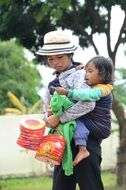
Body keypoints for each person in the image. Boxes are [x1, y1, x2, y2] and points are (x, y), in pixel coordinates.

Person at [36, 29, 113, 190]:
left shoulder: (82, 75)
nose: (55, 62)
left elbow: (87, 104)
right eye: (50, 58)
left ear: (70, 54)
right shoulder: (52, 83)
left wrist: (59, 118)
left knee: (90, 186)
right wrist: (47, 119)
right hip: (62, 142)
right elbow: (46, 109)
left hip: (85, 142)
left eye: (60, 57)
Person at [54, 56, 113, 166]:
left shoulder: (102, 89)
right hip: (98, 128)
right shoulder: (96, 85)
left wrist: (69, 93)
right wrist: (83, 69)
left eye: (90, 71)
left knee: (76, 119)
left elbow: (87, 96)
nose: (85, 74)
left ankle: (82, 149)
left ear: (102, 74)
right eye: (86, 71)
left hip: (100, 126)